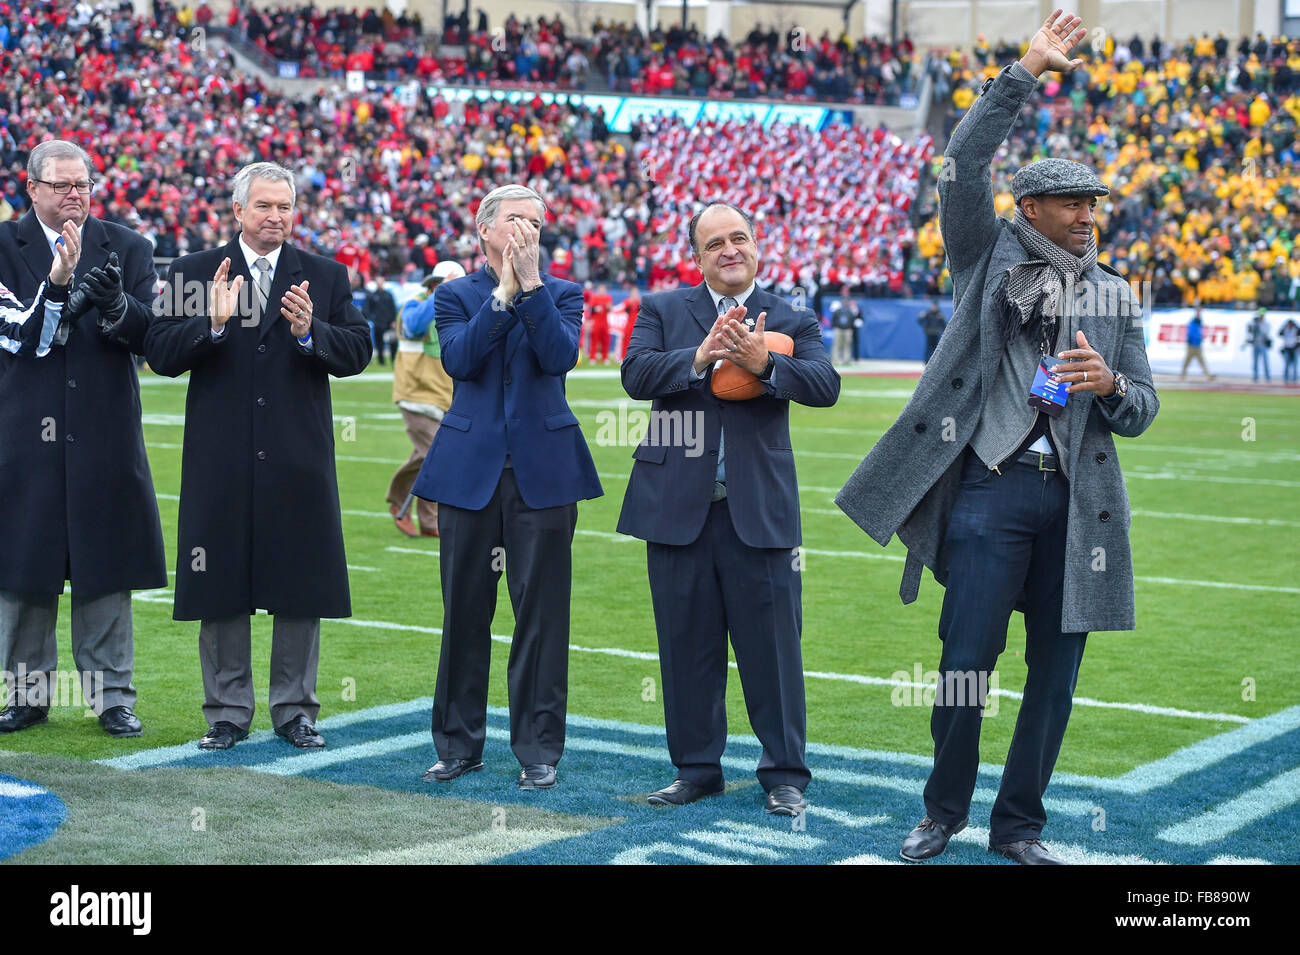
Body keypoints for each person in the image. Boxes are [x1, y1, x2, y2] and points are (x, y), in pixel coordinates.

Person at [836, 11, 1158, 865]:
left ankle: (1019, 825)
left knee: (1054, 679)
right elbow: (963, 161)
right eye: (1072, 201)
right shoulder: (984, 254)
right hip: (989, 486)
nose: (1089, 213)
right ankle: (942, 810)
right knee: (966, 661)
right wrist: (1023, 72)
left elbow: (1144, 406)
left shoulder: (1117, 296)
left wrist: (1114, 385)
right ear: (1032, 208)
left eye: (1095, 202)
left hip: (1078, 503)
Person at [618, 201, 841, 816]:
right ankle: (696, 768)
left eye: (738, 238)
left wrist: (764, 364)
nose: (729, 249)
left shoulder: (793, 315)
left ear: (756, 246)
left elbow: (826, 387)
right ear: (698, 257)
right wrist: (701, 357)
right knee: (685, 647)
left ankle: (785, 773)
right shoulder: (665, 309)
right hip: (676, 507)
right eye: (714, 243)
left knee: (772, 648)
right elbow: (634, 375)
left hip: (758, 509)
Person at [144, 161, 372, 751]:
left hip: (297, 456)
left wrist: (308, 333)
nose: (276, 217)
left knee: (299, 581)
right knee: (218, 579)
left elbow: (357, 350)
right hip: (220, 458)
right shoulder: (196, 272)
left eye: (285, 207)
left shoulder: (323, 274)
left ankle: (295, 709)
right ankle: (226, 711)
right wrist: (211, 323)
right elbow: (159, 353)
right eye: (264, 206)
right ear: (238, 211)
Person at [414, 185, 602, 790]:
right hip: (469, 472)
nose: (528, 230)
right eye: (516, 220)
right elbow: (461, 361)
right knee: (463, 612)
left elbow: (559, 356)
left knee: (541, 617)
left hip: (544, 473)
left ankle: (539, 750)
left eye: (537, 223)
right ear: (485, 232)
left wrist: (532, 289)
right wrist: (502, 295)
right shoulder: (454, 294)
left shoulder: (565, 293)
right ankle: (458, 744)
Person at [0, 139, 167, 739]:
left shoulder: (130, 245)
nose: (76, 195)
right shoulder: (1, 247)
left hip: (103, 430)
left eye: (83, 185)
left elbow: (154, 338)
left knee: (106, 566)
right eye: (63, 185)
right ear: (33, 188)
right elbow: (18, 338)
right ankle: (25, 693)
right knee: (23, 564)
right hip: (23, 432)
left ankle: (112, 696)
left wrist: (120, 307)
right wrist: (58, 283)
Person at [386, 260, 465, 537]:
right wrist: (443, 291)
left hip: (441, 396)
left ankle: (427, 520)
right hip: (416, 393)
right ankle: (402, 504)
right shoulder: (414, 303)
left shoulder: (457, 309)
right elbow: (415, 325)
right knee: (433, 454)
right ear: (435, 285)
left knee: (431, 456)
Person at [364, 278, 398, 365]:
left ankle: (393, 359)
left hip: (388, 322)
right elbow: (368, 309)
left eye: (381, 282)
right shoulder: (372, 296)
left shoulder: (388, 295)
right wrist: (372, 319)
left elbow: (393, 308)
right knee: (379, 343)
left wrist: (393, 320)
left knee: (393, 341)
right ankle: (381, 360)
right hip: (378, 323)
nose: (379, 284)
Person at [1181, 304, 1214, 380]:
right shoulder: (1193, 322)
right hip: (1192, 344)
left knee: (1200, 360)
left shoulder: (1199, 322)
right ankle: (1183, 374)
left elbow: (1196, 332)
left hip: (1197, 344)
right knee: (1188, 360)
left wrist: (1200, 337)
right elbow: (1191, 333)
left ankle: (1208, 375)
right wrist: (1199, 337)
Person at [830, 285, 860, 364]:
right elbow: (834, 319)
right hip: (839, 329)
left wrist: (849, 327)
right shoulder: (838, 310)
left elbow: (852, 320)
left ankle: (846, 360)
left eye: (846, 301)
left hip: (847, 329)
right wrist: (836, 326)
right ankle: (835, 360)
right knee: (836, 345)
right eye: (844, 301)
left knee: (847, 346)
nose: (844, 302)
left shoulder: (850, 311)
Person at [586, 281, 613, 363]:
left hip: (604, 322)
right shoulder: (594, 297)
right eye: (601, 289)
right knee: (594, 340)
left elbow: (610, 308)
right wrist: (595, 309)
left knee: (606, 340)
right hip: (596, 322)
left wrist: (609, 307)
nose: (602, 291)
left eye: (603, 290)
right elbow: (590, 309)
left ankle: (605, 358)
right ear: (598, 290)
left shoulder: (608, 297)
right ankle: (592, 357)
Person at [1245, 308, 1271, 382]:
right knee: (1255, 362)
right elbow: (1249, 330)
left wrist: (1258, 325)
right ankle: (1255, 377)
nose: (1261, 317)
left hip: (1263, 344)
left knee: (1265, 362)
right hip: (1255, 344)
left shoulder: (1266, 323)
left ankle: (1267, 377)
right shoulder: (1254, 323)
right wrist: (1254, 324)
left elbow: (1265, 332)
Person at [918, 297, 947, 362]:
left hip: (936, 334)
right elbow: (919, 321)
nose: (934, 307)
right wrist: (925, 326)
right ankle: (926, 362)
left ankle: (935, 362)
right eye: (933, 306)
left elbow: (944, 325)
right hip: (929, 333)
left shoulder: (940, 315)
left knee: (936, 349)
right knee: (928, 348)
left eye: (935, 306)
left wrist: (940, 330)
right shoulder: (927, 313)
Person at [619, 279, 641, 362]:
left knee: (638, 342)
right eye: (633, 292)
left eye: (636, 292)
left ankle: (637, 357)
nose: (635, 294)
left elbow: (641, 310)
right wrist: (631, 303)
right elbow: (626, 310)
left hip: (638, 324)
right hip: (629, 324)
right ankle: (623, 357)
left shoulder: (640, 301)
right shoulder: (628, 301)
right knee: (626, 341)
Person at [1279, 317, 1299, 384]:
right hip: (1287, 348)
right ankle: (1286, 379)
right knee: (1287, 364)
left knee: (1295, 365)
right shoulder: (1285, 329)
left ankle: (1294, 379)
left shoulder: (1296, 329)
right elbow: (1279, 333)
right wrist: (1284, 326)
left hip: (1294, 348)